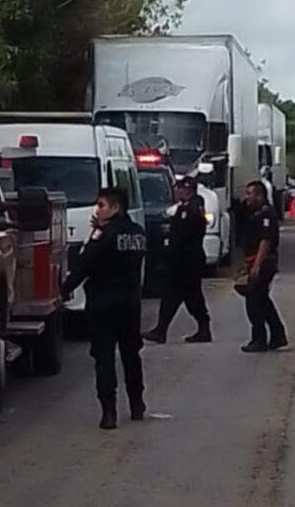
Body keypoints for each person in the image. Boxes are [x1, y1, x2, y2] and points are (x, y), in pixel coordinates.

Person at [62, 188, 149, 429]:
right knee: (131, 356)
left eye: (101, 205)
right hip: (130, 304)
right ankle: (137, 403)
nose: (96, 210)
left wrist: (66, 288)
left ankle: (109, 412)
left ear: (115, 208)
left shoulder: (104, 235)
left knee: (105, 359)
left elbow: (85, 264)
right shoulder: (138, 233)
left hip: (103, 304)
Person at [143, 176, 211, 343]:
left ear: (185, 190)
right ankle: (199, 329)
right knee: (189, 297)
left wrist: (166, 256)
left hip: (185, 261)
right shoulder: (193, 206)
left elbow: (180, 238)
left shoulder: (189, 210)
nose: (176, 192)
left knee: (176, 296)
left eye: (179, 189)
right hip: (188, 260)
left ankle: (162, 330)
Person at [238, 180, 288, 353]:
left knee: (254, 302)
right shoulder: (254, 213)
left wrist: (256, 265)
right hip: (255, 261)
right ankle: (277, 335)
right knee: (263, 300)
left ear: (259, 195)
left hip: (263, 262)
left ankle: (259, 339)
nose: (247, 197)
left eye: (250, 194)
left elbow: (265, 241)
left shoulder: (266, 215)